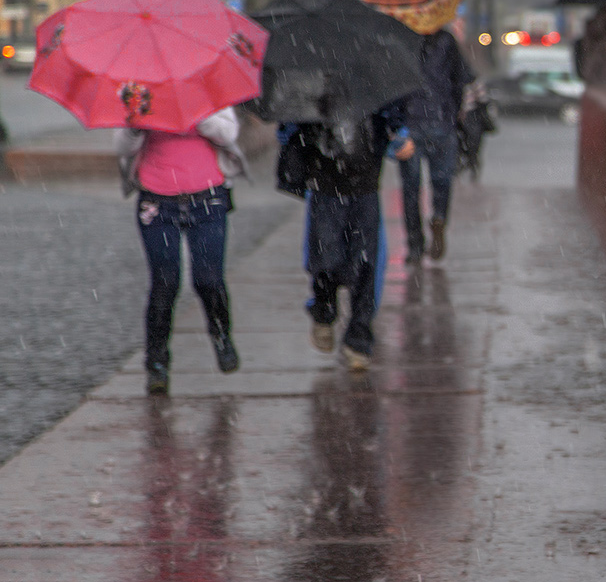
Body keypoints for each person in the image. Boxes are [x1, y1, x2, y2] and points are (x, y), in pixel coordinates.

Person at [116, 107, 248, 395]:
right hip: (157, 203)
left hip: (208, 200)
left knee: (209, 279)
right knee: (165, 283)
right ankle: (157, 363)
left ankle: (221, 336)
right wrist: (137, 125)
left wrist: (197, 113)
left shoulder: (209, 90)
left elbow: (228, 133)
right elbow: (122, 147)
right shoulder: (143, 94)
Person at [279, 105, 414, 371]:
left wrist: (398, 131)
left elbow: (394, 106)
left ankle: (359, 338)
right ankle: (324, 310)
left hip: (365, 184)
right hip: (325, 184)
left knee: (365, 263)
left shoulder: (375, 72)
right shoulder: (312, 77)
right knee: (325, 261)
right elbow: (291, 124)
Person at [399, 27, 474, 264]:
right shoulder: (446, 39)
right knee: (441, 182)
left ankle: (415, 245)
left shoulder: (400, 37)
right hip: (442, 122)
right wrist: (454, 111)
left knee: (411, 189)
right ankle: (439, 217)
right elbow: (461, 79)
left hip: (408, 125)